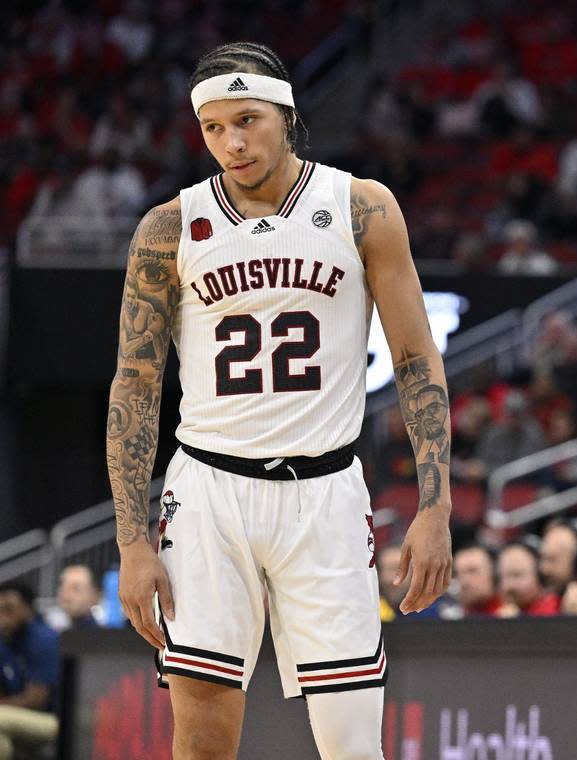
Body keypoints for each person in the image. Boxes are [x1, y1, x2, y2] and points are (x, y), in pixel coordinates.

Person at [105, 42, 453, 760]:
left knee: (353, 749)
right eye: (213, 128)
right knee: (201, 742)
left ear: (287, 116)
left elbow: (417, 359)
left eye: (248, 120)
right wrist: (131, 541)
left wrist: (437, 506)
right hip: (206, 494)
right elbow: (134, 386)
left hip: (324, 492)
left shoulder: (362, 207)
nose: (231, 142)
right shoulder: (166, 229)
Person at [0, 582, 60, 760]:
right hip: (15, 715)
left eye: (9, 609)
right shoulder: (5, 640)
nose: (3, 617)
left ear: (27, 609)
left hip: (52, 719)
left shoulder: (44, 639)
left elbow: (35, 700)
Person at [496, 541, 560, 616]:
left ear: (539, 576)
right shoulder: (496, 612)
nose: (509, 586)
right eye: (503, 577)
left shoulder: (556, 610)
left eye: (517, 575)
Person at [453, 545, 504, 617]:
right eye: (457, 574)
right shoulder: (447, 617)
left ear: (493, 574)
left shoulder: (514, 617)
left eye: (472, 571)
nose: (464, 581)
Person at [55, 564, 103, 631]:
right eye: (62, 586)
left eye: (75, 588)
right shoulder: (52, 631)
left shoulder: (101, 637)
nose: (66, 595)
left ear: (96, 595)